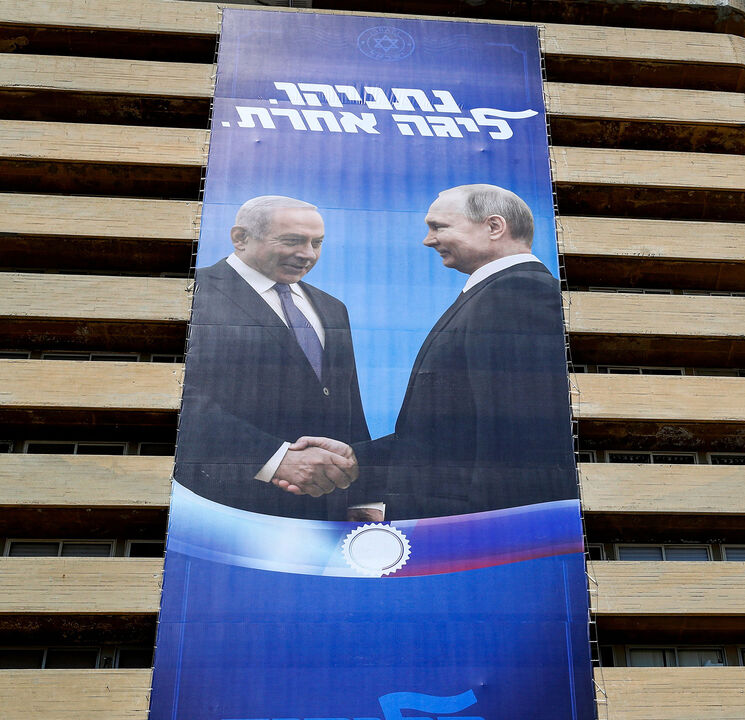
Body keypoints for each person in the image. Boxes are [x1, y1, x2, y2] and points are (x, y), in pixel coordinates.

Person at [301, 184, 576, 520]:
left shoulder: (516, 292)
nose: (428, 240)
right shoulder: (492, 294)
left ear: (494, 227)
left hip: (478, 536)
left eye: (439, 227)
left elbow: (517, 438)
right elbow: (446, 432)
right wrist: (354, 460)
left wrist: (477, 533)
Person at [175, 195, 369, 520]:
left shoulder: (333, 308)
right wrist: (275, 458)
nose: (307, 254)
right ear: (240, 238)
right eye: (293, 241)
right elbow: (178, 395)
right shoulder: (192, 292)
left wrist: (365, 496)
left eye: (316, 243)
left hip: (328, 510)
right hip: (226, 509)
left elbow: (348, 407)